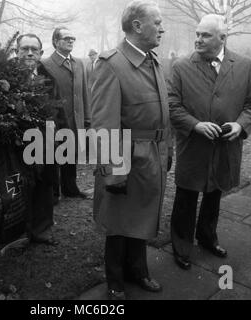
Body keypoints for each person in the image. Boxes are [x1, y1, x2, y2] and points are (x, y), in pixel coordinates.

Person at [169, 14, 251, 271]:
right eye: (197, 34)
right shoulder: (180, 66)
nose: (198, 39)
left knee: (214, 194)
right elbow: (171, 105)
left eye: (205, 35)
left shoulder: (244, 66)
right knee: (186, 197)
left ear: (223, 37)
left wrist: (240, 125)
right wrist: (195, 124)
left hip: (225, 147)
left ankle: (208, 237)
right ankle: (181, 246)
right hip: (193, 147)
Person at [91, 0, 171, 300]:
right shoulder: (111, 64)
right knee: (119, 221)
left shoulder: (153, 60)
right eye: (157, 21)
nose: (162, 27)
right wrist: (112, 172)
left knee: (143, 216)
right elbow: (103, 124)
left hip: (153, 154)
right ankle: (115, 280)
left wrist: (167, 148)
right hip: (126, 157)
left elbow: (164, 113)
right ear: (137, 26)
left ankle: (138, 270)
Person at [15, 33, 59, 246]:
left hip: (46, 143)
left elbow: (59, 112)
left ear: (41, 53)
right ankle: (19, 234)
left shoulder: (50, 78)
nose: (30, 52)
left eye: (34, 49)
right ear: (16, 52)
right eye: (25, 48)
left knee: (44, 188)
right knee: (18, 190)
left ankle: (42, 230)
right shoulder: (6, 78)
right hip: (15, 145)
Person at [41, 27, 91, 200]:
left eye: (73, 38)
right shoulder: (45, 64)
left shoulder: (79, 63)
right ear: (55, 41)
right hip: (55, 119)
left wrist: (87, 118)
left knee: (72, 154)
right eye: (66, 38)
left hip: (75, 119)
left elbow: (84, 92)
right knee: (54, 156)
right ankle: (54, 193)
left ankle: (70, 188)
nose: (71, 41)